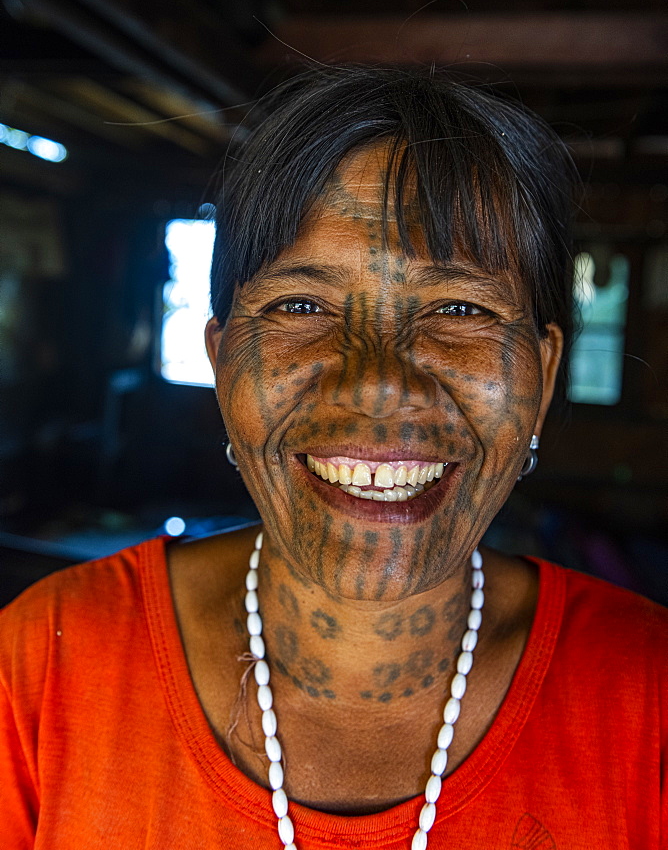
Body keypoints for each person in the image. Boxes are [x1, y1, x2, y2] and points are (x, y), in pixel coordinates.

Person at [1, 66, 666, 849]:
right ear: (223, 365)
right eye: (301, 306)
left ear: (543, 376)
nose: (379, 384)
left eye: (460, 309)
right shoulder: (47, 666)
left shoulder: (648, 700)